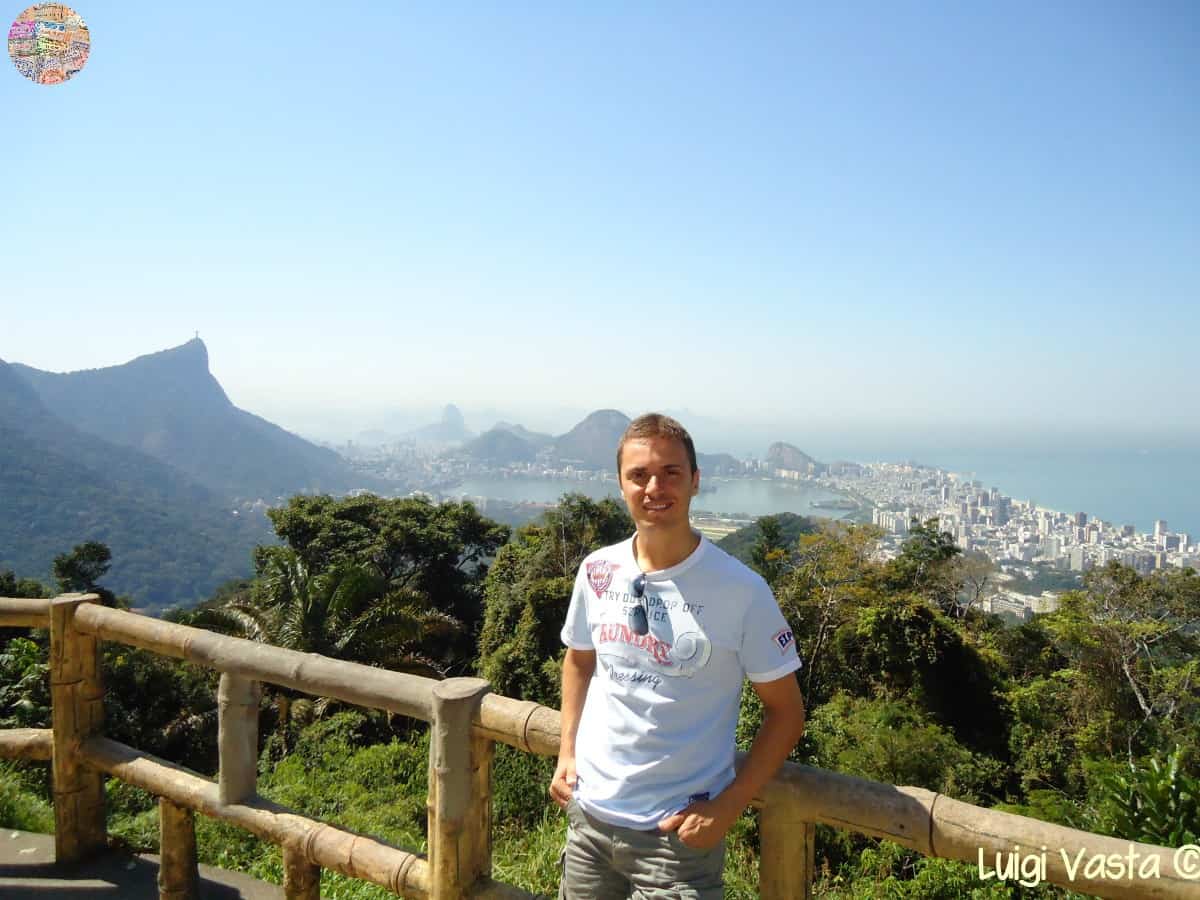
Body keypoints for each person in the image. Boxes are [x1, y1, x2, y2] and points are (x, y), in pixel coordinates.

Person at [550, 413, 806, 899]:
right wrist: (567, 751)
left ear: (695, 481)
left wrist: (729, 807)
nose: (654, 487)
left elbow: (786, 713)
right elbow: (580, 661)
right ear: (621, 484)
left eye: (670, 472)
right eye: (639, 475)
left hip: (676, 839)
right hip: (589, 819)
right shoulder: (597, 569)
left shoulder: (742, 591)